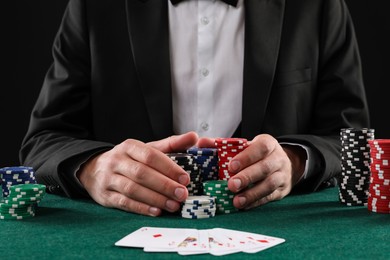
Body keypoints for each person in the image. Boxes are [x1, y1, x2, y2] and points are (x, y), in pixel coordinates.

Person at [20, 0, 369, 217]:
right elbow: (44, 141)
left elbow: (351, 140)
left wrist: (295, 161)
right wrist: (94, 169)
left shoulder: (318, 5)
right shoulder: (93, 5)